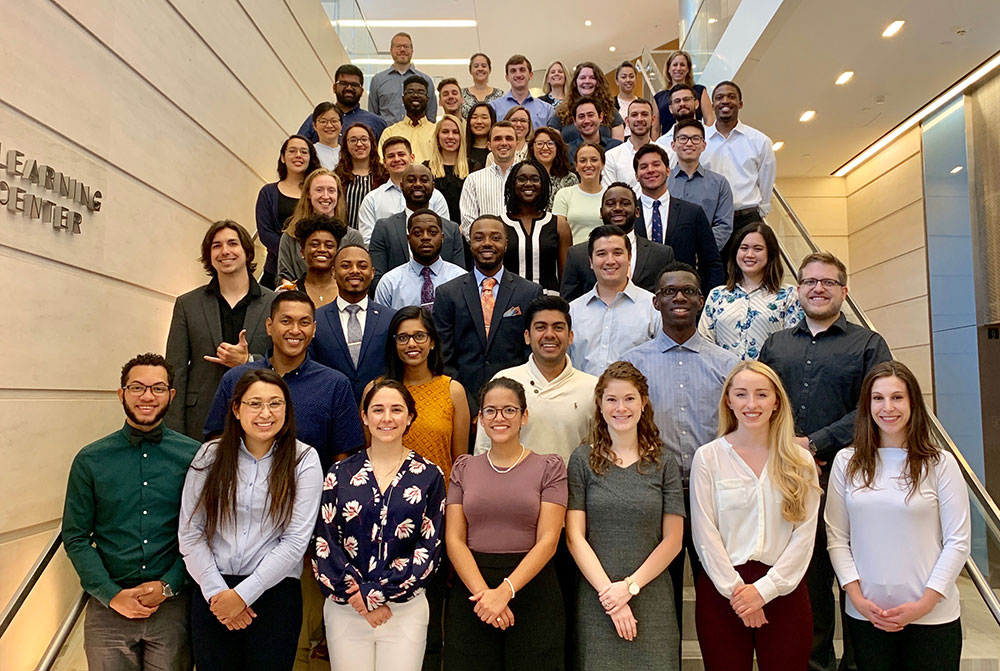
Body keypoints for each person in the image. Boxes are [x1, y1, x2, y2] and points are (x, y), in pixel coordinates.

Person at [758, 251, 892, 671]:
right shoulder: (776, 344)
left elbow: (875, 406)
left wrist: (811, 444)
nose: (818, 288)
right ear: (797, 290)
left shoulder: (868, 343)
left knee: (859, 576)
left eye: (828, 282)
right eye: (809, 281)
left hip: (855, 478)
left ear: (844, 292)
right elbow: (760, 404)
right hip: (792, 481)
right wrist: (788, 451)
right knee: (810, 580)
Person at [826, 361, 971, 671]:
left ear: (912, 403)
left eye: (897, 398)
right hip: (867, 616)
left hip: (933, 617)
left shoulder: (939, 463)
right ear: (867, 405)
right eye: (878, 398)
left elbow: (958, 542)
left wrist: (925, 604)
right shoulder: (846, 461)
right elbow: (837, 538)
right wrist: (858, 598)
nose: (887, 407)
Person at [621, 262, 740, 634]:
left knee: (720, 588)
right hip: (655, 494)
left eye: (688, 291)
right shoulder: (633, 365)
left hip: (715, 495)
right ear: (655, 302)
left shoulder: (727, 365)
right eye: (670, 291)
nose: (679, 298)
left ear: (701, 300)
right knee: (658, 594)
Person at [62, 353, 200, 671]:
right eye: (137, 387)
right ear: (121, 393)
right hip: (107, 607)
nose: (147, 396)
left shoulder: (194, 456)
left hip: (173, 606)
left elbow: (203, 533)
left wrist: (167, 585)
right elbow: (76, 536)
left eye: (157, 388)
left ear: (171, 395)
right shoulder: (90, 459)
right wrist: (111, 594)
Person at [178, 369, 323, 671]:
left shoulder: (303, 459)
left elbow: (296, 541)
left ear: (287, 409)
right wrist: (219, 594)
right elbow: (191, 533)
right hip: (213, 592)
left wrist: (243, 596)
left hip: (274, 594)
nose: (265, 413)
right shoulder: (210, 455)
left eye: (275, 403)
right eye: (254, 403)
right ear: (236, 409)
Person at [690, 360, 821, 671]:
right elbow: (705, 534)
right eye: (742, 394)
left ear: (776, 401)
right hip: (724, 592)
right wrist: (738, 593)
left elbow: (804, 536)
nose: (752, 404)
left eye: (762, 394)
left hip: (783, 590)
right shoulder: (708, 458)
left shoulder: (800, 461)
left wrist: (764, 591)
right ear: (728, 401)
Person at [313, 379, 447, 671]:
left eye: (397, 409)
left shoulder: (428, 476)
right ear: (364, 416)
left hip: (404, 609)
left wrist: (378, 594)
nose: (387, 418)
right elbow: (325, 543)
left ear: (410, 417)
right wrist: (359, 597)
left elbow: (430, 547)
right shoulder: (340, 474)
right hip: (347, 608)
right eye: (378, 410)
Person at [566, 361, 685, 671]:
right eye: (612, 400)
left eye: (629, 398)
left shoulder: (664, 462)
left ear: (643, 403)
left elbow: (673, 540)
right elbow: (575, 536)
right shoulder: (581, 460)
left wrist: (629, 588)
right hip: (597, 599)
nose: (621, 408)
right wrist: (610, 595)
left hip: (651, 596)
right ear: (600, 406)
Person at [444, 378, 568, 671]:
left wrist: (504, 593)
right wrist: (486, 597)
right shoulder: (464, 468)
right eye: (491, 411)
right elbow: (454, 539)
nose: (499, 418)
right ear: (480, 419)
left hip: (532, 588)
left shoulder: (549, 467)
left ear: (524, 416)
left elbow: (549, 540)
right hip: (473, 591)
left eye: (509, 410)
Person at [202, 290, 364, 471]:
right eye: (286, 321)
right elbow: (215, 443)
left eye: (304, 322)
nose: (295, 330)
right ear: (269, 326)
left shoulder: (335, 385)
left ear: (314, 328)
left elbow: (344, 460)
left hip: (310, 493)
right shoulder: (236, 379)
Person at [166, 220, 274, 440]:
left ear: (247, 251)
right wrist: (174, 434)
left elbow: (284, 361)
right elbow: (175, 372)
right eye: (216, 246)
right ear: (209, 255)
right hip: (200, 419)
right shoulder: (187, 304)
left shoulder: (274, 303)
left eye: (232, 243)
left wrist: (248, 360)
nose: (225, 251)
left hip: (260, 418)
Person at [433, 215, 543, 408]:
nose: (487, 243)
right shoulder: (447, 293)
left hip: (515, 402)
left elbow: (531, 354)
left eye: (495, 237)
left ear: (506, 244)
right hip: (461, 404)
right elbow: (444, 357)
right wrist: (470, 408)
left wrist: (514, 403)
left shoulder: (529, 292)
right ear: (469, 243)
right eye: (479, 237)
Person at [473, 295, 597, 464]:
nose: (549, 334)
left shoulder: (592, 388)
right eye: (540, 327)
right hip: (511, 488)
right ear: (527, 336)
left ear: (570, 336)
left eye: (558, 327)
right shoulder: (504, 382)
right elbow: (483, 449)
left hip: (571, 489)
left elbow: (598, 454)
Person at [698, 223, 801, 360]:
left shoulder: (789, 295)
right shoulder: (717, 295)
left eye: (758, 249)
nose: (750, 254)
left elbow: (793, 346)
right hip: (724, 378)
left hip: (769, 377)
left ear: (770, 253)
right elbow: (705, 343)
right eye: (744, 248)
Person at [567, 225, 659, 376]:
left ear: (629, 258)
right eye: (601, 254)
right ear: (591, 261)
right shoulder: (573, 311)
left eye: (617, 253)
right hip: (583, 398)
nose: (610, 261)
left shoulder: (653, 308)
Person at [560, 183, 675, 302]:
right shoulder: (577, 255)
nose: (618, 208)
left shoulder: (662, 254)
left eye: (625, 203)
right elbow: (568, 303)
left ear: (637, 211)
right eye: (610, 204)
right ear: (600, 212)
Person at [309, 244, 395, 403]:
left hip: (380, 411)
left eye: (362, 266)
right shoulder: (316, 320)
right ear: (333, 272)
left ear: (372, 273)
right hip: (330, 410)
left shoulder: (391, 318)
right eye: (345, 266)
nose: (354, 270)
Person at [701, 81, 776, 255]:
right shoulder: (701, 141)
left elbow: (766, 183)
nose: (725, 101)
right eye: (719, 98)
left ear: (740, 103)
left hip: (746, 220)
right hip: (711, 222)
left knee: (749, 275)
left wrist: (760, 210)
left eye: (731, 97)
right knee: (714, 276)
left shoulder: (760, 141)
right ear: (712, 105)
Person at [633, 144, 723, 290]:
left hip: (684, 298)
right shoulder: (629, 214)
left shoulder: (693, 213)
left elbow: (712, 263)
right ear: (636, 176)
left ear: (668, 170)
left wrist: (706, 301)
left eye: (656, 164)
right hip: (640, 301)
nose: (650, 170)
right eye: (643, 167)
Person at [369, 164, 466, 289]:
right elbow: (376, 278)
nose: (418, 184)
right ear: (402, 186)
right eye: (411, 180)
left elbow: (460, 280)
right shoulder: (384, 228)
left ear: (433, 186)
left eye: (424, 180)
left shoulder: (451, 229)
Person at [357, 136, 450, 245]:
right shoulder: (372, 199)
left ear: (412, 158)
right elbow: (368, 241)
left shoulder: (435, 196)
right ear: (384, 162)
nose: (396, 159)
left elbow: (445, 234)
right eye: (391, 156)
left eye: (401, 154)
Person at [255, 136, 321, 289]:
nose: (298, 155)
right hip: (275, 269)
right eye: (292, 151)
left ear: (310, 158)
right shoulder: (268, 192)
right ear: (283, 158)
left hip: (314, 270)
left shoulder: (317, 192)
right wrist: (291, 254)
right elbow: (265, 233)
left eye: (304, 152)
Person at [277, 169, 364, 283]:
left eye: (331, 190)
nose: (326, 196)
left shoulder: (352, 237)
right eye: (319, 190)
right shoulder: (290, 236)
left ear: (338, 195)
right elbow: (284, 276)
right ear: (309, 193)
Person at [501, 159, 573, 293]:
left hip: (548, 302)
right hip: (510, 303)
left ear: (544, 184)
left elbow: (566, 278)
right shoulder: (499, 225)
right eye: (521, 179)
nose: (528, 184)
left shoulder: (559, 225)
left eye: (535, 179)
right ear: (512, 183)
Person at [374, 209, 466, 310]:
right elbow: (381, 323)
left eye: (433, 232)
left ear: (442, 237)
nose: (425, 237)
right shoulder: (390, 283)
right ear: (408, 239)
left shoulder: (461, 279)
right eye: (417, 233)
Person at [668, 118, 734, 253]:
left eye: (695, 138)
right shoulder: (662, 181)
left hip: (705, 259)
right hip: (665, 257)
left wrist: (703, 251)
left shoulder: (720, 184)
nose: (689, 143)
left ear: (704, 145)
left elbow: (723, 226)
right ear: (673, 145)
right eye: (683, 138)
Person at [297, 64, 387, 144]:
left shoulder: (376, 123)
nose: (349, 88)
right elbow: (299, 149)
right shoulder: (317, 119)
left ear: (362, 91)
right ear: (334, 87)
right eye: (343, 83)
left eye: (354, 85)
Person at [459, 121, 519, 238]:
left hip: (520, 250)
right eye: (497, 139)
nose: (504, 143)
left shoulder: (527, 179)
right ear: (489, 145)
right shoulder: (474, 180)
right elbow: (468, 223)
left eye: (509, 138)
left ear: (517, 144)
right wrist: (484, 245)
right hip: (484, 251)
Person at [368, 32, 437, 125]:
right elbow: (373, 115)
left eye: (406, 46)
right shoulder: (377, 80)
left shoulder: (425, 80)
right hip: (386, 136)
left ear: (412, 51)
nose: (402, 49)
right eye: (398, 46)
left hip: (418, 137)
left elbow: (431, 115)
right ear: (391, 50)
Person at [278, 215, 343, 309]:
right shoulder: (286, 292)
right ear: (302, 252)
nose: (322, 249)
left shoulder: (348, 291)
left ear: (337, 252)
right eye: (315, 244)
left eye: (329, 246)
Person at [334, 123, 390, 231]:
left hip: (375, 239)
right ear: (346, 145)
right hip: (344, 238)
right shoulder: (337, 177)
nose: (359, 144)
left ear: (371, 143)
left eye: (364, 139)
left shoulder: (385, 176)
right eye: (353, 140)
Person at [552, 62, 625, 143]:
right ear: (575, 83)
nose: (587, 81)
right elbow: (554, 145)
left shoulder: (610, 111)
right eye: (582, 78)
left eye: (592, 77)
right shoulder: (562, 111)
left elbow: (618, 149)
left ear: (598, 82)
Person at [553, 142, 607, 245]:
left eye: (594, 160)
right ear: (576, 166)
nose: (588, 165)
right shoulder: (564, 194)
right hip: (573, 256)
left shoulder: (609, 196)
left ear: (602, 164)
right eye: (583, 161)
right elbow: (558, 233)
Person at [379, 76, 436, 165]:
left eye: (421, 92)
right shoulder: (390, 132)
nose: (415, 95)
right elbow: (383, 164)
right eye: (410, 92)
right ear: (403, 98)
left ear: (427, 99)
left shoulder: (437, 132)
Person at [654, 50, 713, 134]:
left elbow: (709, 119)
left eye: (682, 65)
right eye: (675, 65)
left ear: (688, 69)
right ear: (668, 69)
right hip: (667, 143)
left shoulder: (699, 91)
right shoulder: (659, 97)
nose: (678, 68)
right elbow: (655, 129)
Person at [490, 54, 555, 130]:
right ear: (507, 77)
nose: (518, 74)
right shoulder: (494, 108)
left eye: (522, 70)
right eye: (513, 71)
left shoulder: (547, 110)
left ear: (530, 75)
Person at [602, 98, 654, 191]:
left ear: (653, 120)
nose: (639, 119)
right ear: (627, 121)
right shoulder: (612, 156)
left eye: (644, 114)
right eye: (634, 115)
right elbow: (610, 193)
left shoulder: (667, 153)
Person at [426, 114, 470, 223]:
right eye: (445, 132)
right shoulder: (427, 168)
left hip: (464, 231)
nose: (450, 136)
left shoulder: (473, 167)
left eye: (455, 132)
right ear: (437, 136)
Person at [528, 127, 578, 207]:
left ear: (558, 148)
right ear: (532, 148)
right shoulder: (525, 177)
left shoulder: (570, 179)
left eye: (550, 143)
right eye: (540, 143)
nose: (545, 148)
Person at [566, 97, 623, 163]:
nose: (586, 121)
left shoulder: (616, 147)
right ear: (575, 121)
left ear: (600, 117)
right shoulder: (567, 151)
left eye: (590, 115)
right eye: (581, 116)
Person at [653, 84, 699, 165]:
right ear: (670, 109)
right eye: (677, 101)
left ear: (696, 104)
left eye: (686, 99)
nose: (682, 104)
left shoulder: (710, 137)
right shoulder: (661, 144)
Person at [462, 52, 505, 117]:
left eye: (484, 66)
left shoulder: (499, 95)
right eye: (476, 66)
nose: (480, 69)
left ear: (490, 70)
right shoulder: (462, 94)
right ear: (470, 70)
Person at [311, 103, 343, 170]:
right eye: (323, 122)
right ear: (314, 125)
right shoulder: (310, 152)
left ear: (341, 125)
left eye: (334, 121)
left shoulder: (347, 152)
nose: (329, 126)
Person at [465, 102, 496, 171]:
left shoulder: (497, 151)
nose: (479, 121)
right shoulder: (462, 150)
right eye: (474, 117)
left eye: (484, 117)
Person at [613, 62, 639, 136]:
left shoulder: (643, 104)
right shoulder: (610, 105)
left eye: (631, 76)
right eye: (624, 77)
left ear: (636, 79)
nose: (628, 80)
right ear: (617, 81)